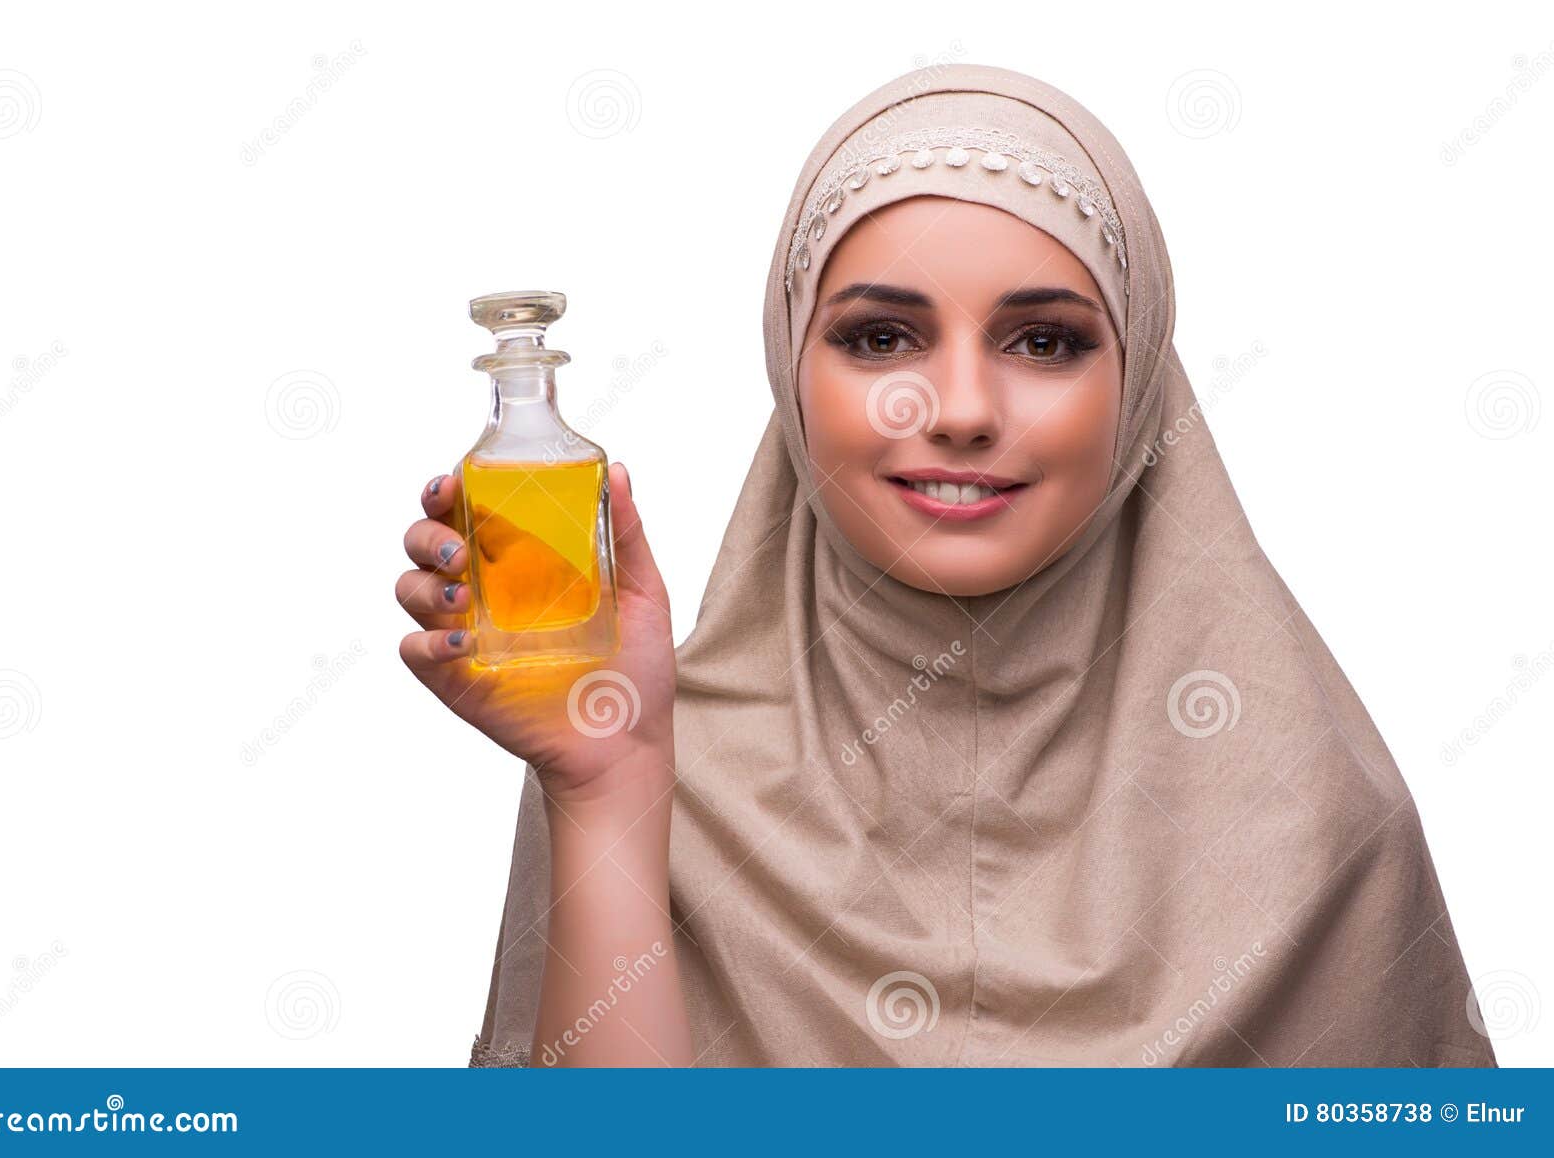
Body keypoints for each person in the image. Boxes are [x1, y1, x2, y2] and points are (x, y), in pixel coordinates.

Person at [397, 63, 1496, 1067]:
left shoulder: (1316, 822)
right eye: (881, 339)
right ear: (790, 373)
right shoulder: (646, 758)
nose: (961, 411)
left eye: (1043, 342)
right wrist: (608, 789)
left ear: (1138, 387)